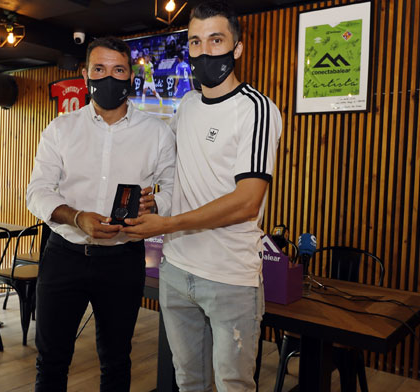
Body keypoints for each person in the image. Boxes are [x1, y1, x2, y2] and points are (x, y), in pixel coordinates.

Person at [123, 1, 282, 390]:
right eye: (195, 41)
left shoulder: (256, 110)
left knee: (233, 385)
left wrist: (169, 224)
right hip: (176, 270)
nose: (205, 51)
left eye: (216, 39)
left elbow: (247, 201)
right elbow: (179, 173)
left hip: (229, 277)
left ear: (237, 48)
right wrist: (154, 201)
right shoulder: (188, 105)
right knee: (187, 382)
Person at [26, 36, 176, 392]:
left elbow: (172, 190)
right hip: (64, 256)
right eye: (100, 69)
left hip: (123, 261)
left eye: (118, 70)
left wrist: (154, 204)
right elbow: (37, 191)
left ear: (130, 76)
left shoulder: (156, 133)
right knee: (51, 360)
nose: (109, 78)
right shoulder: (60, 129)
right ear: (85, 74)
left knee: (116, 360)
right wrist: (77, 217)